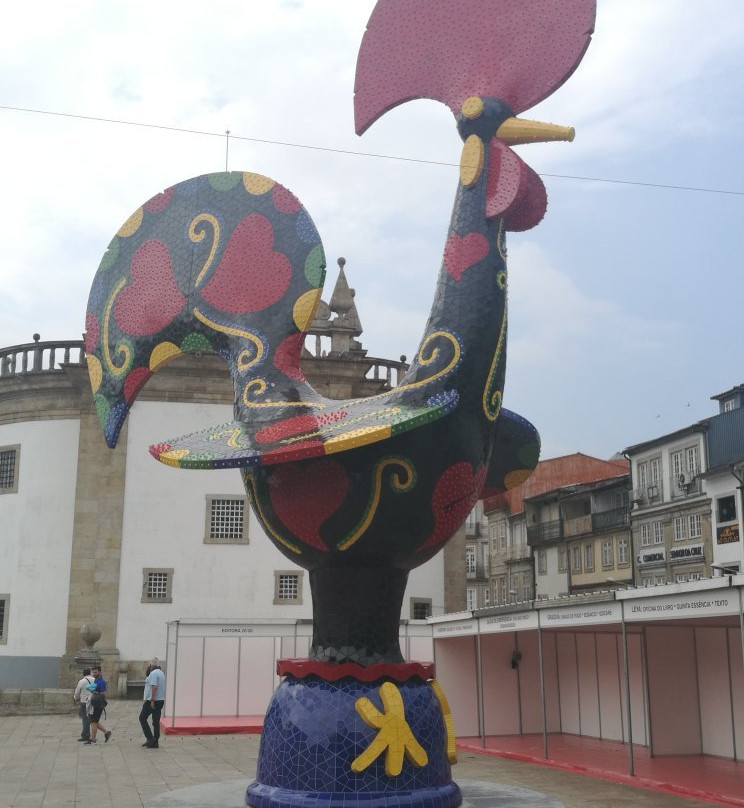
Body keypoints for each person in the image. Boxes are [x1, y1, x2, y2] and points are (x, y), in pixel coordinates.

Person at [140, 659, 166, 748]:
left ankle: (150, 739)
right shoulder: (161, 673)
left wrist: (152, 700)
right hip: (160, 700)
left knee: (142, 718)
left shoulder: (154, 673)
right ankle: (155, 741)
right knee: (155, 721)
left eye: (149, 665)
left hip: (153, 701)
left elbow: (154, 687)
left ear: (151, 666)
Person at [85, 664, 112, 744]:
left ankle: (93, 740)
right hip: (95, 703)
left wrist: (96, 692)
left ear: (100, 672)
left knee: (93, 721)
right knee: (93, 721)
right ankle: (107, 732)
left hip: (99, 704)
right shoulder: (96, 680)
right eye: (93, 672)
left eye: (95, 672)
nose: (94, 674)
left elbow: (105, 693)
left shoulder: (102, 682)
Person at [73, 668, 95, 741]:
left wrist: (76, 698)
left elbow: (77, 692)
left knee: (85, 719)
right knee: (93, 719)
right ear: (90, 672)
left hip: (84, 702)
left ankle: (86, 735)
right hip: (93, 701)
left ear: (83, 673)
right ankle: (93, 735)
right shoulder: (94, 679)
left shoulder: (82, 681)